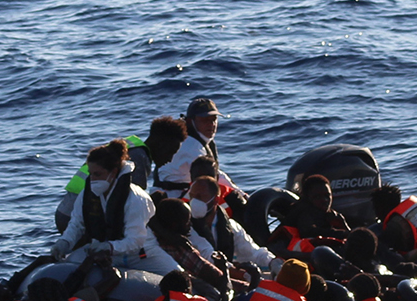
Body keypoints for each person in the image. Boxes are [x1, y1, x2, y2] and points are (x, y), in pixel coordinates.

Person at [51, 139, 179, 275]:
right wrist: (64, 242)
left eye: (98, 174)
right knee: (68, 266)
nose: (93, 179)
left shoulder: (135, 198)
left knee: (176, 275)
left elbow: (135, 240)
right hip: (102, 252)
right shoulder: (86, 195)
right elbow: (76, 224)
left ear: (113, 172)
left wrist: (109, 246)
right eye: (91, 174)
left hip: (141, 254)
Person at [187, 177, 279, 275]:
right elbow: (208, 256)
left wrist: (274, 262)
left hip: (224, 276)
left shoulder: (230, 226)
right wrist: (243, 275)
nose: (194, 201)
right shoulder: (186, 225)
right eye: (192, 196)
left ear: (215, 200)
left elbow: (253, 252)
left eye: (200, 197)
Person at [155, 97, 233, 198]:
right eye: (204, 120)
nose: (211, 124)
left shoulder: (190, 138)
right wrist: (242, 196)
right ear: (190, 121)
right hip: (173, 197)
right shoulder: (190, 145)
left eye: (214, 120)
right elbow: (213, 175)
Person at [271, 174, 351, 254]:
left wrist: (343, 225)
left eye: (327, 196)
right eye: (317, 197)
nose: (325, 200)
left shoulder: (327, 213)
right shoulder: (304, 211)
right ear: (307, 197)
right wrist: (342, 233)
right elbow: (308, 232)